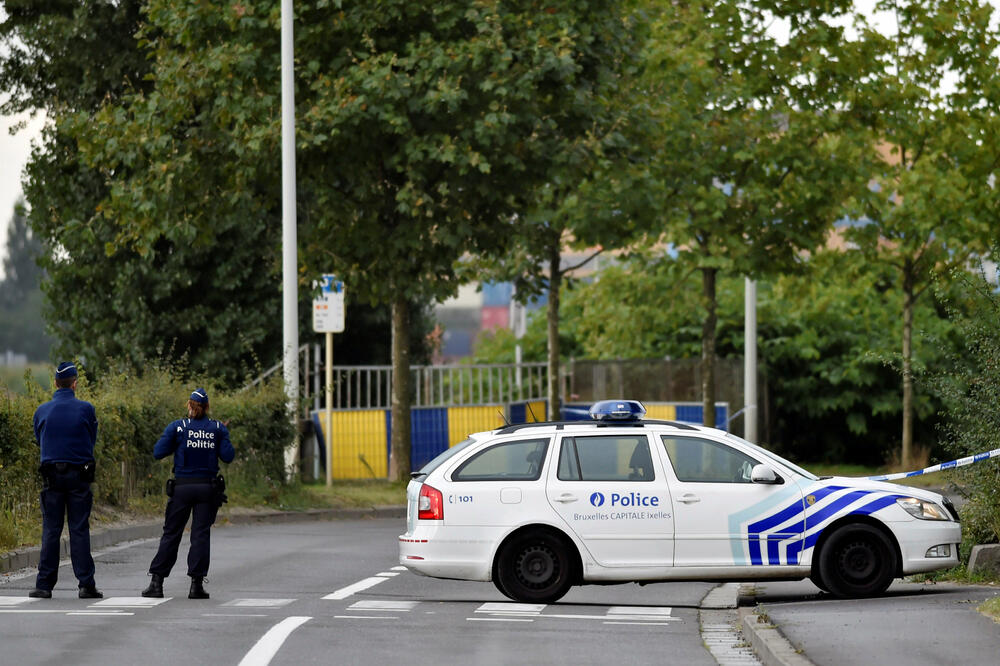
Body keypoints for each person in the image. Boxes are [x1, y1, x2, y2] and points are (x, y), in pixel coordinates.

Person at [142, 388, 234, 599]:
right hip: (207, 489)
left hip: (182, 488)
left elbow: (158, 452)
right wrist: (221, 436)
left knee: (171, 533)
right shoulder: (217, 428)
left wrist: (176, 442)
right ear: (207, 407)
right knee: (200, 534)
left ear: (188, 405)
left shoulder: (178, 427)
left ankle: (157, 582)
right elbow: (228, 456)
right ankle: (196, 585)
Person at [30, 361, 102, 599]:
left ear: (54, 383)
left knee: (51, 529)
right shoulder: (86, 409)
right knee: (78, 529)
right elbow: (91, 439)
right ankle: (85, 584)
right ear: (74, 384)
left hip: (51, 476)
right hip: (78, 475)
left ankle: (44, 585)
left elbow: (40, 441)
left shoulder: (41, 410)